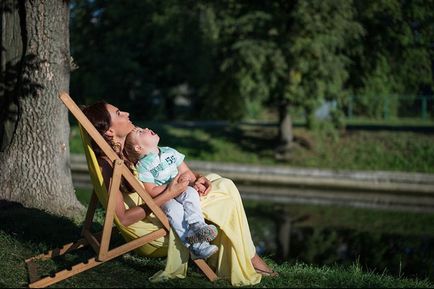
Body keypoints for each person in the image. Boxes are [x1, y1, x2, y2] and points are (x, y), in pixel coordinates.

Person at [82, 101, 277, 286]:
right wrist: (171, 192)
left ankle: (238, 255)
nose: (127, 113)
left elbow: (170, 170)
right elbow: (123, 219)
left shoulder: (128, 150)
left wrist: (198, 178)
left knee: (218, 181)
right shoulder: (109, 165)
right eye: (118, 114)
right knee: (226, 189)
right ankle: (249, 257)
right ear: (109, 131)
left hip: (165, 202)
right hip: (155, 223)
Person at [123, 126, 219, 260]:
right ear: (138, 148)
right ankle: (197, 247)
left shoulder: (170, 152)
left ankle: (198, 226)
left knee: (191, 193)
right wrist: (172, 187)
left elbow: (186, 172)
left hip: (182, 189)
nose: (145, 128)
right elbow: (151, 190)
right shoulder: (143, 166)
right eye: (140, 132)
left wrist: (193, 182)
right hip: (165, 197)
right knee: (174, 210)